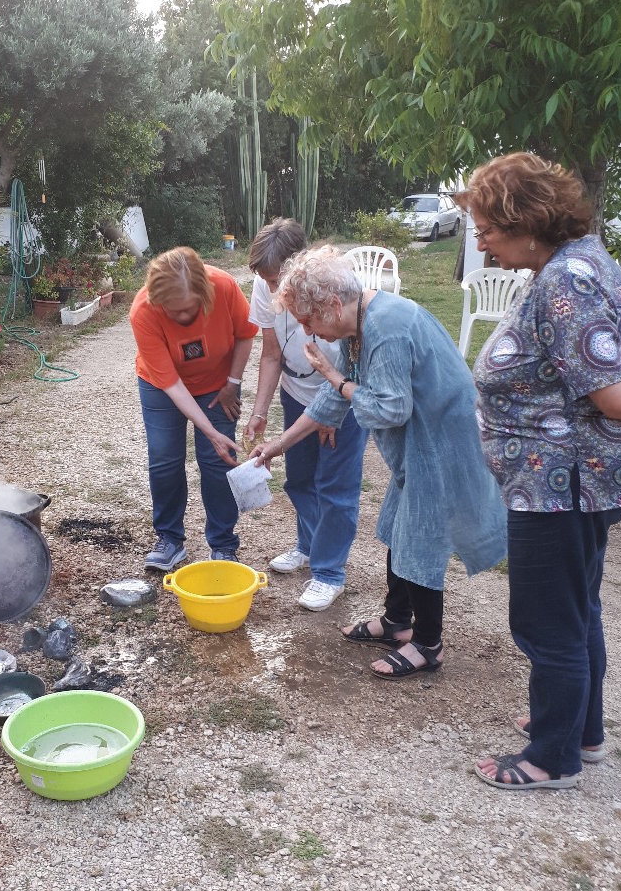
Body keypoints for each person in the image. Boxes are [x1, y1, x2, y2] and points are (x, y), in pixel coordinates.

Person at [453, 153, 621, 791]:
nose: (479, 243)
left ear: (526, 221)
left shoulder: (568, 280)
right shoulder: (574, 262)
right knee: (577, 605)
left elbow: (619, 398)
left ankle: (552, 757)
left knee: (545, 621)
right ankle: (581, 733)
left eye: (486, 229)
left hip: (561, 484)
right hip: (568, 479)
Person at [251, 246, 506, 677]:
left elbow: (389, 409)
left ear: (333, 305)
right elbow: (333, 400)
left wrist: (338, 379)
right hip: (420, 442)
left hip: (442, 443)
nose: (307, 330)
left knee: (419, 540)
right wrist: (280, 444)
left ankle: (428, 644)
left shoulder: (387, 326)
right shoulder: (358, 325)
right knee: (395, 528)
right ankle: (397, 623)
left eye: (309, 320)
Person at [245, 220, 368, 611]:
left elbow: (357, 356)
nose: (269, 288)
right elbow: (270, 352)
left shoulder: (337, 282)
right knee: (299, 478)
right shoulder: (264, 287)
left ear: (299, 266)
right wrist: (261, 410)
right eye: (264, 280)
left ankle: (329, 573)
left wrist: (334, 411)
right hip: (297, 392)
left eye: (274, 279)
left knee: (334, 484)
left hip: (341, 398)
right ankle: (308, 545)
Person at [129, 246, 257, 570]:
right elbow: (172, 385)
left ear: (204, 291)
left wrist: (232, 381)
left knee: (218, 460)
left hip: (219, 383)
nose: (183, 318)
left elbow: (245, 335)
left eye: (190, 309)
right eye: (174, 312)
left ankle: (224, 545)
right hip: (161, 386)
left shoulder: (225, 286)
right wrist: (211, 431)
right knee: (164, 459)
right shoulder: (143, 312)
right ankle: (170, 540)